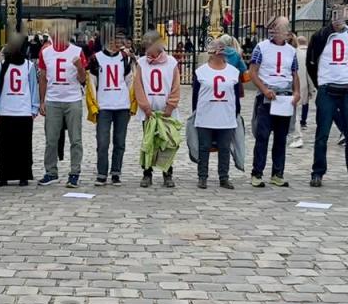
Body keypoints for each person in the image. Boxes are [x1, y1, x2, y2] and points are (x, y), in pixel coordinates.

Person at [306, 6, 348, 188]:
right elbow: (311, 62)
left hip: (347, 86)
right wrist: (320, 83)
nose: (339, 20)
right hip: (327, 86)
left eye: (343, 16)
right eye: (336, 16)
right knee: (322, 133)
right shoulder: (320, 36)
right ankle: (317, 172)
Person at [248, 17, 300, 188]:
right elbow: (253, 72)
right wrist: (264, 90)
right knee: (262, 137)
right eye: (278, 28)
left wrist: (297, 92)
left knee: (281, 138)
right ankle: (257, 173)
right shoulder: (261, 48)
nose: (280, 31)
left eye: (283, 28)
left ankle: (278, 173)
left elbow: (294, 74)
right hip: (267, 97)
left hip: (284, 97)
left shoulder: (291, 51)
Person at [38, 30, 87, 188]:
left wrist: (80, 67)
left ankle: (74, 172)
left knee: (76, 139)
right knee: (51, 139)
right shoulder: (45, 53)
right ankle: (51, 171)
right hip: (53, 99)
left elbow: (83, 79)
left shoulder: (77, 51)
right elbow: (43, 78)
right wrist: (42, 101)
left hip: (73, 99)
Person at [192, 38, 242, 190]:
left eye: (223, 52)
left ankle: (224, 177)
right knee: (204, 147)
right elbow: (195, 95)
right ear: (211, 53)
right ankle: (202, 176)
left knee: (224, 147)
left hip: (226, 115)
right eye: (219, 52)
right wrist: (196, 112)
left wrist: (236, 113)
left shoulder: (233, 72)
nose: (222, 55)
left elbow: (236, 94)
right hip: (206, 115)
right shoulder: (201, 72)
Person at [133, 33, 181, 187]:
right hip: (149, 113)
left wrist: (170, 106)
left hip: (167, 112)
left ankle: (168, 173)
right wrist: (146, 108)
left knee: (167, 143)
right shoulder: (141, 63)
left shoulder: (171, 63)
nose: (147, 49)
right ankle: (147, 173)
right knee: (148, 143)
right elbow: (138, 86)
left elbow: (175, 86)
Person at [0, 32, 39, 186]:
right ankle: (4, 175)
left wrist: (34, 107)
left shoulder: (29, 66)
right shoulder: (1, 66)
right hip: (6, 110)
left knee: (23, 145)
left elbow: (33, 87)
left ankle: (23, 174)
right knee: (5, 145)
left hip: (23, 110)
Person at [88, 33, 132, 186]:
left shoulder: (125, 58)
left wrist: (130, 102)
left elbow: (129, 81)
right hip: (104, 105)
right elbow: (92, 82)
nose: (116, 43)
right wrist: (94, 103)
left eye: (119, 40)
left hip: (122, 105)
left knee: (120, 142)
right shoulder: (96, 58)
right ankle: (101, 173)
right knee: (103, 142)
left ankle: (116, 172)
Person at [295, 35, 313, 134]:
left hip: (296, 81)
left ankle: (294, 120)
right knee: (305, 103)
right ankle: (303, 121)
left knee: (295, 103)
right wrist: (312, 87)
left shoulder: (295, 52)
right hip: (305, 81)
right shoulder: (309, 53)